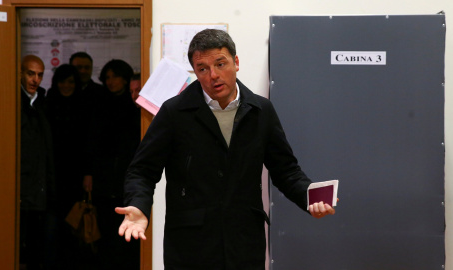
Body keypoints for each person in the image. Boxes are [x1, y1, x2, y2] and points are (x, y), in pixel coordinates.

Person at [116, 29, 336, 269]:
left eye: (221, 64)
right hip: (191, 246)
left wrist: (309, 196)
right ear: (195, 72)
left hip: (244, 242)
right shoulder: (174, 113)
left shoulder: (261, 111)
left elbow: (286, 170)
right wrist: (138, 205)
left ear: (236, 62)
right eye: (203, 69)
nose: (214, 75)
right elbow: (142, 171)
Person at [83, 59, 141, 269]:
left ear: (125, 79)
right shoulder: (100, 104)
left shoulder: (135, 105)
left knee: (128, 233)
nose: (110, 81)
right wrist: (88, 172)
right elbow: (91, 141)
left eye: (115, 76)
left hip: (127, 177)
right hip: (103, 177)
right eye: (107, 77)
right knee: (106, 229)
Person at [45, 64, 89, 269]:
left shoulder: (83, 104)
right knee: (52, 224)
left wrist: (88, 173)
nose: (66, 86)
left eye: (71, 81)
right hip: (51, 172)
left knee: (75, 222)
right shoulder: (48, 103)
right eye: (62, 81)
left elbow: (89, 142)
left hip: (76, 173)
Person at [20, 55, 56, 270]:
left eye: (40, 74)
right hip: (22, 184)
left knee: (36, 242)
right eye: (30, 73)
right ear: (20, 73)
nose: (35, 79)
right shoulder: (14, 102)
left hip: (40, 183)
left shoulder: (43, 103)